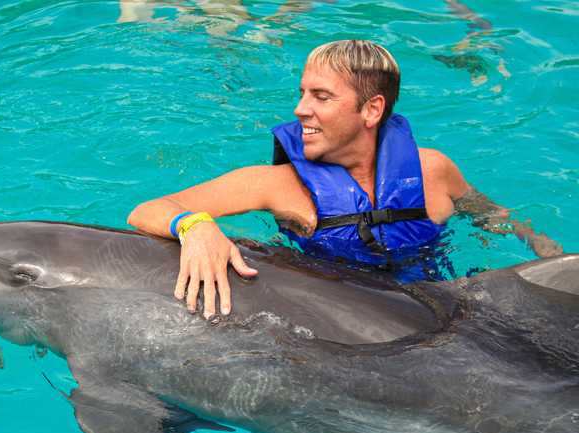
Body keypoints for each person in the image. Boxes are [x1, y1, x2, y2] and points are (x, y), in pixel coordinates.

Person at [127, 39, 562, 319]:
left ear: (371, 111)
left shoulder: (432, 170)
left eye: (321, 97)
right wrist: (195, 226)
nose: (299, 109)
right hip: (340, 318)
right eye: (301, 93)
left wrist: (539, 244)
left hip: (448, 307)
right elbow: (148, 210)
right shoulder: (276, 184)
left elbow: (483, 211)